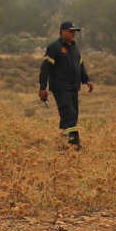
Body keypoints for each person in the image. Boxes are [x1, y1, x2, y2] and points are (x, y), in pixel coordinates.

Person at [39, 21, 91, 149]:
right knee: (70, 115)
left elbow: (80, 65)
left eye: (75, 32)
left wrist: (86, 80)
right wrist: (42, 87)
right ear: (62, 31)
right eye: (71, 31)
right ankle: (75, 145)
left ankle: (63, 143)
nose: (73, 34)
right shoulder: (54, 47)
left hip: (74, 87)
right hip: (60, 88)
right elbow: (45, 68)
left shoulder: (74, 47)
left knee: (71, 116)